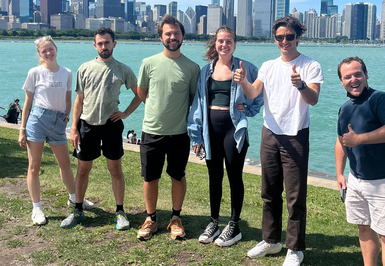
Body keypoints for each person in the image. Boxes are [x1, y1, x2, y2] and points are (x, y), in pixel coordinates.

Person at [234, 16, 323, 265]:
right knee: (269, 191)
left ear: (298, 37)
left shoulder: (310, 65)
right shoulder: (268, 66)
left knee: (295, 195)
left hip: (296, 134)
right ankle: (271, 241)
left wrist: (301, 85)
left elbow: (313, 99)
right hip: (270, 132)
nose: (285, 41)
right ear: (275, 39)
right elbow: (254, 92)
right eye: (280, 37)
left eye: (290, 36)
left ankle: (295, 248)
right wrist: (243, 82)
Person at [187, 26, 263, 247]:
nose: (224, 45)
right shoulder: (206, 71)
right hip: (210, 131)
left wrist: (248, 110)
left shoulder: (246, 68)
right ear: (215, 43)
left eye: (229, 41)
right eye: (220, 41)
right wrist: (196, 136)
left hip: (234, 130)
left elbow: (259, 94)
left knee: (234, 176)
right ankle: (213, 222)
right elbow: (198, 104)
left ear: (235, 44)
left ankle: (234, 224)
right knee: (214, 177)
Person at [60, 27, 142, 230]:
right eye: (100, 43)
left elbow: (139, 94)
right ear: (94, 45)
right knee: (83, 169)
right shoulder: (85, 68)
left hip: (112, 126)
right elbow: (79, 100)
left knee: (115, 170)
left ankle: (120, 212)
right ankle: (78, 210)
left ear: (114, 44)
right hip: (87, 125)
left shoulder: (123, 69)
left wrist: (125, 113)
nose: (104, 46)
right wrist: (74, 128)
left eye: (107, 42)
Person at [335, 57, 385, 266]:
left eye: (358, 74)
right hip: (356, 180)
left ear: (366, 75)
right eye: (347, 76)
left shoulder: (382, 99)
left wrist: (359, 139)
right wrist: (340, 173)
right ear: (342, 82)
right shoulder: (345, 108)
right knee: (364, 229)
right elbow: (341, 141)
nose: (353, 79)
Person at [136, 15, 200, 241]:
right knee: (150, 177)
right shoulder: (148, 63)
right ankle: (151, 218)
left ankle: (175, 217)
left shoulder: (192, 68)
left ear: (183, 36)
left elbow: (193, 99)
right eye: (168, 33)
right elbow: (142, 93)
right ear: (161, 36)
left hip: (179, 133)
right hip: (152, 130)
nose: (173, 37)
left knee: (177, 176)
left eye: (176, 33)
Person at [19, 35, 91, 226]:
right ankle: (37, 208)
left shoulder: (66, 73)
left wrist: (66, 118)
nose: (48, 53)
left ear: (56, 49)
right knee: (34, 166)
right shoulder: (35, 72)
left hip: (58, 122)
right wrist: (22, 129)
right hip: (38, 120)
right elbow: (27, 103)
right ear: (40, 54)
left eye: (51, 49)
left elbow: (69, 99)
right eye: (44, 51)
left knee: (65, 164)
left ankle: (75, 198)